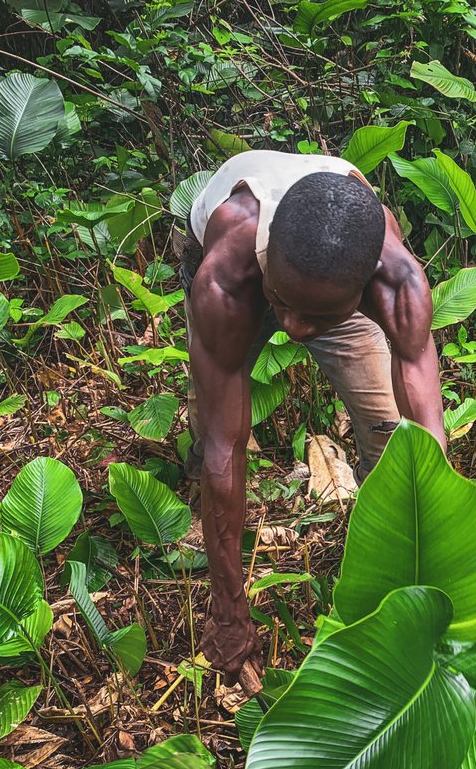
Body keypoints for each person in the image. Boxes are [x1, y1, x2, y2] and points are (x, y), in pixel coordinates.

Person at [174, 150, 446, 686]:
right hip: (246, 284)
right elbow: (228, 446)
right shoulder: (224, 274)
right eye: (285, 307)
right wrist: (227, 608)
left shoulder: (397, 281)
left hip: (316, 286)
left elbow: (428, 439)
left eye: (314, 318)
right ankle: (197, 483)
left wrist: (438, 555)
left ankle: (388, 564)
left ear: (367, 290)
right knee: (214, 436)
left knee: (389, 438)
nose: (294, 330)